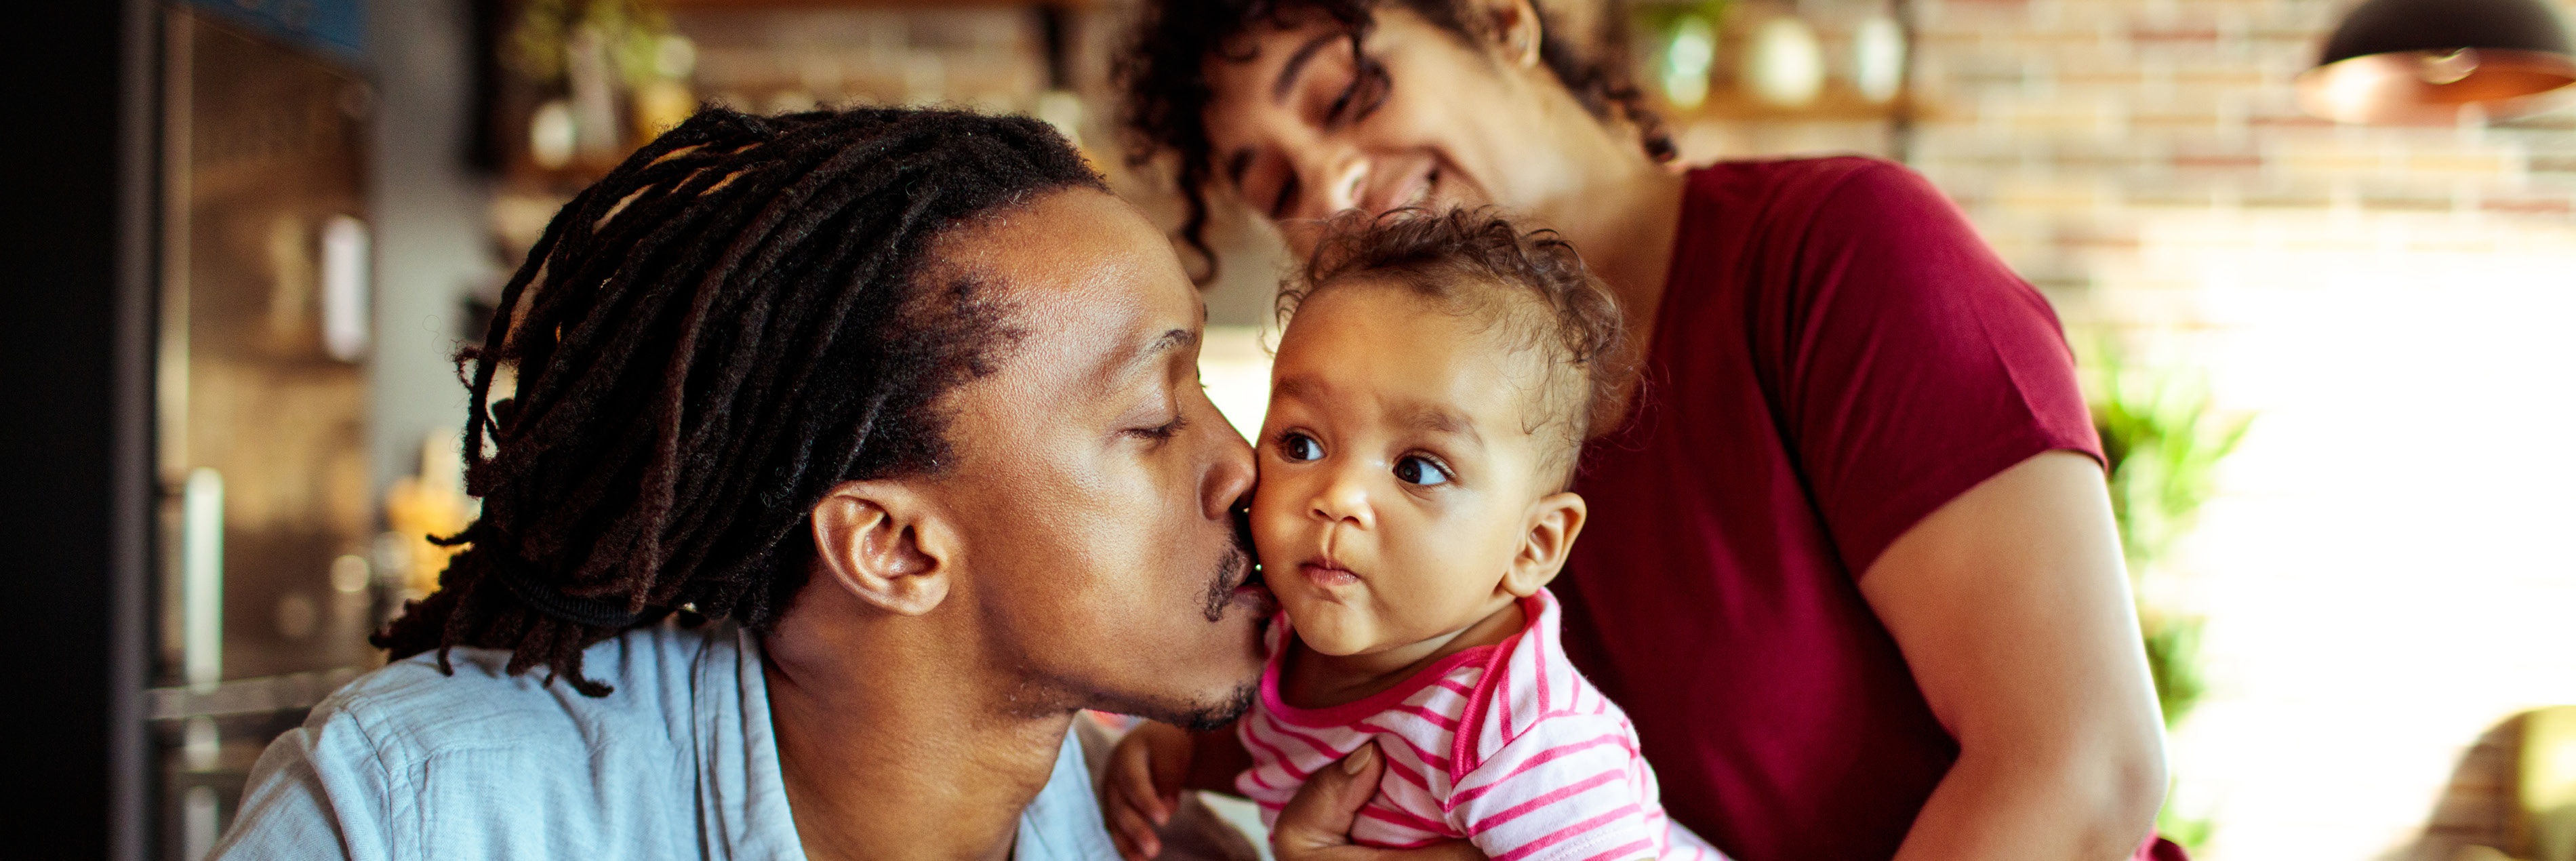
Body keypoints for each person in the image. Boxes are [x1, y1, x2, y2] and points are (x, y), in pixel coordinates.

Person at [1115, 3, 2177, 860]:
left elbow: (2082, 768)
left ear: (1499, 19)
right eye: (1278, 184)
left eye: (1348, 94)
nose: (1334, 185)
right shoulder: (1357, 489)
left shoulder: (1840, 255)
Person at [213, 106, 1284, 860]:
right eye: (1153, 419)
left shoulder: (1170, 829)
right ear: (891, 545)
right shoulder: (413, 813)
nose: (1247, 464)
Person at [1102, 209, 1721, 861]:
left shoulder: (1522, 737)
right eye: (1302, 443)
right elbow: (1285, 741)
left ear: (1532, 545)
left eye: (1416, 469)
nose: (1338, 498)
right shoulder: (1282, 633)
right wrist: (1184, 750)